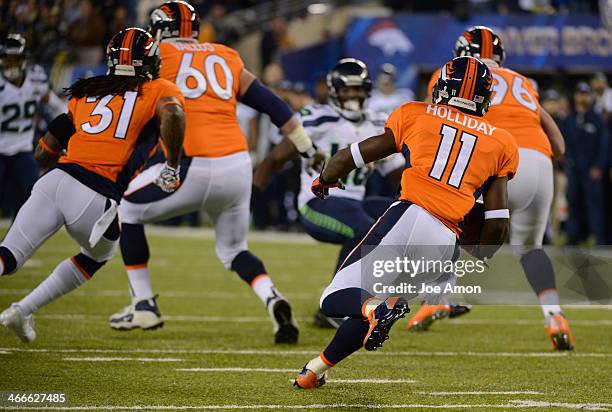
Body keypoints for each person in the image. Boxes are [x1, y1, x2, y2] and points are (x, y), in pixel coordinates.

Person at [293, 56, 518, 388]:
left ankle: (376, 311)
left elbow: (348, 157)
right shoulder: (502, 141)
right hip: (444, 245)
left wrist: (324, 180)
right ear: (485, 97)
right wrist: (480, 256)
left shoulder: (415, 114)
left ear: (443, 88)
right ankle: (315, 370)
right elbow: (498, 224)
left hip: (408, 218)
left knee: (337, 300)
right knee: (371, 306)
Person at [107, 1, 324, 344]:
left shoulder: (159, 55)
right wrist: (307, 148)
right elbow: (273, 105)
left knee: (127, 211)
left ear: (161, 30)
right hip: (237, 166)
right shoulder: (226, 54)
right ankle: (272, 297)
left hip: (191, 163)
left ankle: (143, 302)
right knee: (234, 249)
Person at [0, 27, 185, 343]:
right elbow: (174, 114)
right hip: (95, 193)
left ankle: (22, 312)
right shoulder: (159, 88)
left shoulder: (87, 91)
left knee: (8, 256)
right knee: (97, 255)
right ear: (147, 63)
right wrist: (173, 166)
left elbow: (44, 151)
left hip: (54, 180)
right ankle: (23, 309)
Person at [412, 26, 573, 351]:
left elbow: (436, 126)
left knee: (446, 223)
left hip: (498, 158)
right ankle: (554, 314)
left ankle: (437, 296)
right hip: (541, 163)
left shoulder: (453, 75)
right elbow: (559, 145)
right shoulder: (522, 82)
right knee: (531, 248)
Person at [255, 59, 404, 327]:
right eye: (347, 90)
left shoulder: (377, 122)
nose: (354, 95)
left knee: (402, 216)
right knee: (363, 229)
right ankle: (338, 304)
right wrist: (254, 194)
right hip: (318, 202)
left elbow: (398, 175)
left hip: (355, 203)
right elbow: (274, 160)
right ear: (335, 91)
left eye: (358, 89)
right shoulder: (318, 117)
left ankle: (379, 295)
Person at [0, 33, 66, 216]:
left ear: (24, 60)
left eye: (16, 58)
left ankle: (14, 242)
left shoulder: (34, 78)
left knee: (32, 196)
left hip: (22, 148)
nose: (12, 63)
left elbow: (53, 103)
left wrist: (70, 119)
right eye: (8, 59)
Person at [561, 82, 609, 246]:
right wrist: (566, 161)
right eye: (579, 93)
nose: (582, 97)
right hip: (574, 170)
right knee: (573, 203)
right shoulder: (569, 119)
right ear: (575, 96)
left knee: (594, 206)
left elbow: (605, 145)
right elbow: (564, 142)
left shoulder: (597, 120)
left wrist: (599, 166)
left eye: (585, 94)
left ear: (590, 96)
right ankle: (573, 237)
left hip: (591, 171)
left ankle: (599, 239)